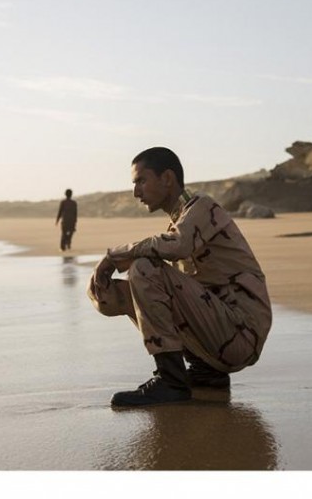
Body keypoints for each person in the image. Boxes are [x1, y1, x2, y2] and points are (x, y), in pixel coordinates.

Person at [87, 147, 272, 407]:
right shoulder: (180, 220)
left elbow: (178, 245)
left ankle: (171, 381)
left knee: (143, 269)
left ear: (167, 179)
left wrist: (115, 256)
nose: (136, 192)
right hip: (218, 339)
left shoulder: (202, 206)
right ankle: (205, 371)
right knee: (105, 291)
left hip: (241, 335)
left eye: (141, 181)